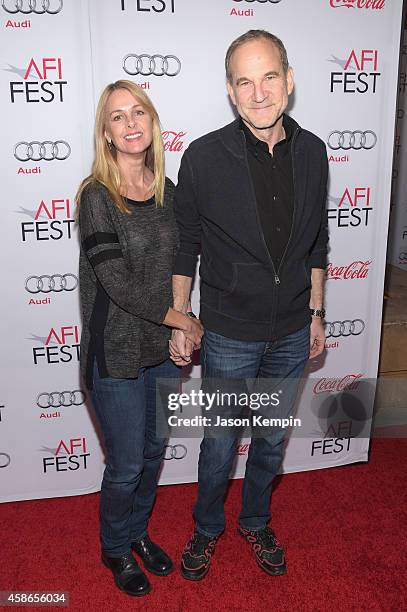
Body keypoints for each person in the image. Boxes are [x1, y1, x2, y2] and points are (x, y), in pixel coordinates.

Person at [170, 30, 328, 580]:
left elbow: (316, 242)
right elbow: (185, 243)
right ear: (231, 92)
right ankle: (207, 527)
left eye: (268, 77)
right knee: (218, 444)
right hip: (230, 333)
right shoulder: (204, 156)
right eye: (244, 81)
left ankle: (256, 520)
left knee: (270, 440)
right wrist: (182, 317)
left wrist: (316, 313)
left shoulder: (313, 151)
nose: (258, 92)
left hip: (290, 331)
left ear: (289, 80)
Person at [76, 80, 203, 597]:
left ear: (152, 123)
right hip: (117, 353)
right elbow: (120, 287)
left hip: (160, 349)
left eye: (138, 113)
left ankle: (137, 535)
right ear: (105, 133)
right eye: (117, 117)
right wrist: (182, 320)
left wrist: (182, 317)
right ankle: (113, 548)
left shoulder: (169, 191)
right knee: (127, 463)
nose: (130, 124)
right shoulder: (95, 196)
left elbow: (180, 263)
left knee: (153, 453)